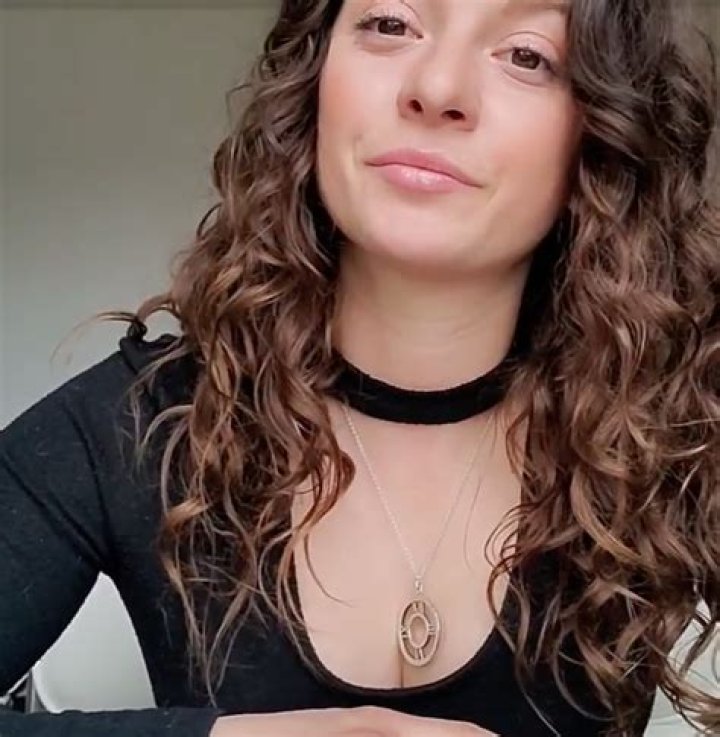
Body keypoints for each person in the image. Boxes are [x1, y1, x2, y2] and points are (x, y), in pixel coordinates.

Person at [1, 0, 718, 735]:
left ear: (604, 133)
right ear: (312, 78)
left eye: (527, 56)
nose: (437, 88)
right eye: (390, 23)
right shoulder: (139, 420)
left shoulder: (686, 426)